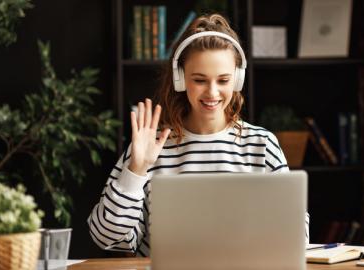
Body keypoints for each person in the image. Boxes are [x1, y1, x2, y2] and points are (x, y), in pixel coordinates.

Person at [88, 13, 309, 257]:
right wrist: (136, 171)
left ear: (238, 79)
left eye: (223, 80)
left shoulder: (262, 145)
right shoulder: (151, 146)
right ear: (180, 79)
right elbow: (105, 237)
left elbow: (297, 238)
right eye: (200, 80)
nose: (212, 93)